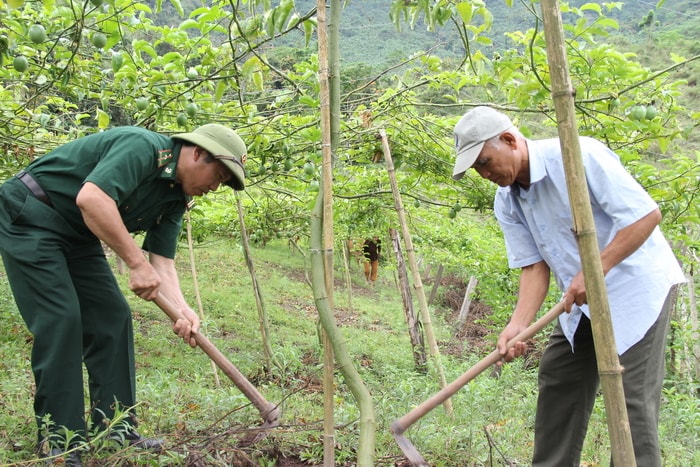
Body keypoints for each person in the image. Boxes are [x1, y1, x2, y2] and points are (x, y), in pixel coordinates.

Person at [0, 123, 248, 466]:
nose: (215, 187)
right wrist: (134, 262)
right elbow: (92, 198)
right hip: (32, 214)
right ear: (197, 153)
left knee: (112, 318)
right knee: (61, 318)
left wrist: (182, 310)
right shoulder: (142, 147)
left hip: (78, 232)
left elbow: (161, 263)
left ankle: (115, 429)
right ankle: (60, 440)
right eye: (218, 175)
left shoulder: (177, 197)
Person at [452, 106, 685, 466]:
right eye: (476, 169)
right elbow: (534, 266)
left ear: (510, 140)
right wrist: (518, 324)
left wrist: (596, 270)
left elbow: (645, 215)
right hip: (579, 302)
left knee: (629, 400)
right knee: (559, 380)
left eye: (485, 161)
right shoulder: (507, 200)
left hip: (636, 289)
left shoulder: (578, 156)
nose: (484, 174)